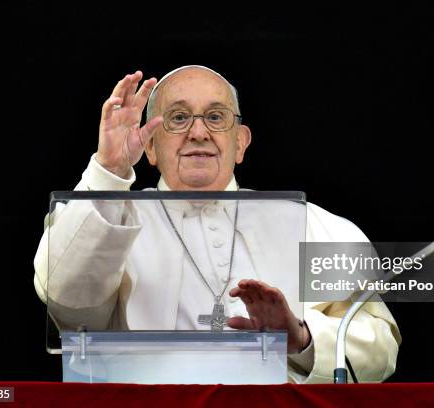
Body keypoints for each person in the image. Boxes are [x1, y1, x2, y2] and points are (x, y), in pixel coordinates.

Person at [34, 65, 401, 383]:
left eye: (215, 117)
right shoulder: (107, 214)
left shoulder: (310, 223)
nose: (198, 132)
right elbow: (64, 299)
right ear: (149, 146)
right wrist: (109, 172)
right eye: (178, 118)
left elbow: (378, 342)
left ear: (240, 142)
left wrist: (301, 340)